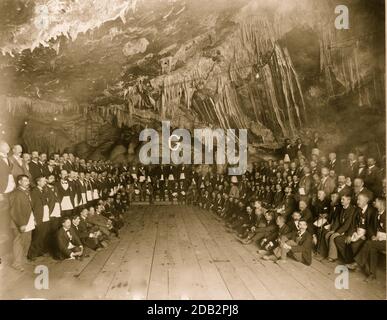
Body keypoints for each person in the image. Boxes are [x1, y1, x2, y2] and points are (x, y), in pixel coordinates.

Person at [348, 197, 386, 282]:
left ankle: (357, 263)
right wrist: (372, 235)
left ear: (380, 203)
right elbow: (370, 227)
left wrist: (380, 237)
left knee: (369, 243)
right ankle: (372, 275)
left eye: (375, 201)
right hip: (377, 240)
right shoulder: (376, 213)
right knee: (372, 248)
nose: (373, 202)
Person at [9, 175, 36, 271]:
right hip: (20, 223)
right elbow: (14, 211)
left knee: (27, 240)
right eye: (25, 181)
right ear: (19, 182)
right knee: (19, 243)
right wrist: (21, 224)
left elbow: (30, 207)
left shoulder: (26, 191)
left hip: (28, 220)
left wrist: (33, 219)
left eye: (28, 180)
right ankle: (17, 263)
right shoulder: (16, 193)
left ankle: (23, 259)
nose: (27, 182)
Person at [323, 194, 356, 262]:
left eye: (343, 199)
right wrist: (333, 230)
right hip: (341, 229)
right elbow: (337, 221)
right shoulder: (342, 208)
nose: (341, 201)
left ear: (348, 201)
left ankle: (332, 257)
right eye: (341, 199)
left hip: (348, 231)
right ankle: (332, 253)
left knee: (333, 237)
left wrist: (338, 232)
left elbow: (347, 224)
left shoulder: (352, 210)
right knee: (327, 235)